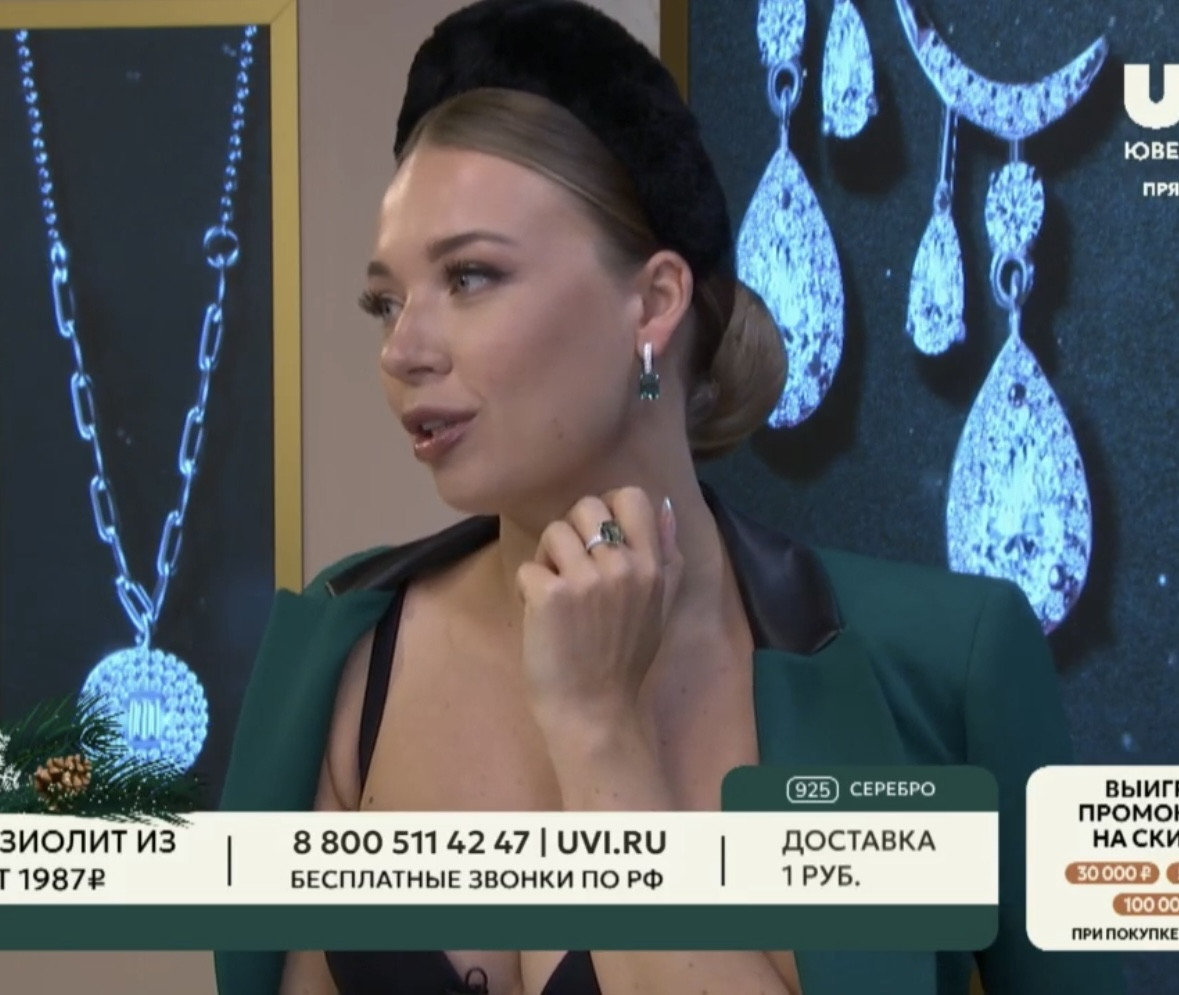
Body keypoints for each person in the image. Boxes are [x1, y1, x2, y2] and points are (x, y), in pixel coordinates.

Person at [215, 1, 1125, 993]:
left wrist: (600, 736)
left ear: (652, 302)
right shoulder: (337, 650)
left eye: (469, 277)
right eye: (385, 301)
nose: (403, 350)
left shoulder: (950, 664)